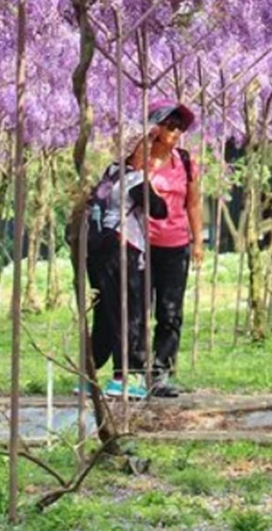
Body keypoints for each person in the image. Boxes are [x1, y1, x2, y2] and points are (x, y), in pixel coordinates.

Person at [84, 135, 167, 399]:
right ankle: (123, 376)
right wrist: (151, 179)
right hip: (123, 250)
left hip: (99, 249)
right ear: (134, 150)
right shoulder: (135, 180)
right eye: (147, 146)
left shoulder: (110, 173)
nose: (152, 151)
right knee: (128, 312)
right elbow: (159, 210)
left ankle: (89, 374)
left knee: (105, 314)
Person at [141, 100, 203, 398]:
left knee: (170, 311)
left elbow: (192, 203)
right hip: (140, 244)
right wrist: (145, 139)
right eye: (169, 125)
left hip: (175, 245)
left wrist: (198, 241)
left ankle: (161, 371)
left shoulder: (186, 162)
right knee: (138, 309)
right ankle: (135, 370)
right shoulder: (139, 157)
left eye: (179, 127)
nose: (175, 132)